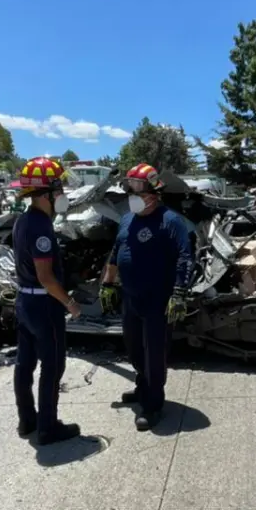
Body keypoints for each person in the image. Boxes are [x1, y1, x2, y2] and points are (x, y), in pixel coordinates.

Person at [99, 163, 194, 431]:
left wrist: (179, 292)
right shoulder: (128, 219)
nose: (132, 195)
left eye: (138, 190)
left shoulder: (171, 221)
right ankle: (143, 388)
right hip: (131, 298)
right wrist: (108, 283)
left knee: (154, 354)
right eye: (130, 189)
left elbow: (185, 258)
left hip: (158, 300)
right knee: (134, 349)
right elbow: (117, 252)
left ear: (154, 193)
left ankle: (153, 405)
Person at [12, 157, 82, 444]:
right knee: (52, 366)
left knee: (24, 364)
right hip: (44, 305)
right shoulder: (41, 226)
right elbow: (46, 277)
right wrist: (69, 303)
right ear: (46, 194)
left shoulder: (23, 220)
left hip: (25, 303)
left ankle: (27, 420)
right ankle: (48, 428)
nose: (63, 195)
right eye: (59, 189)